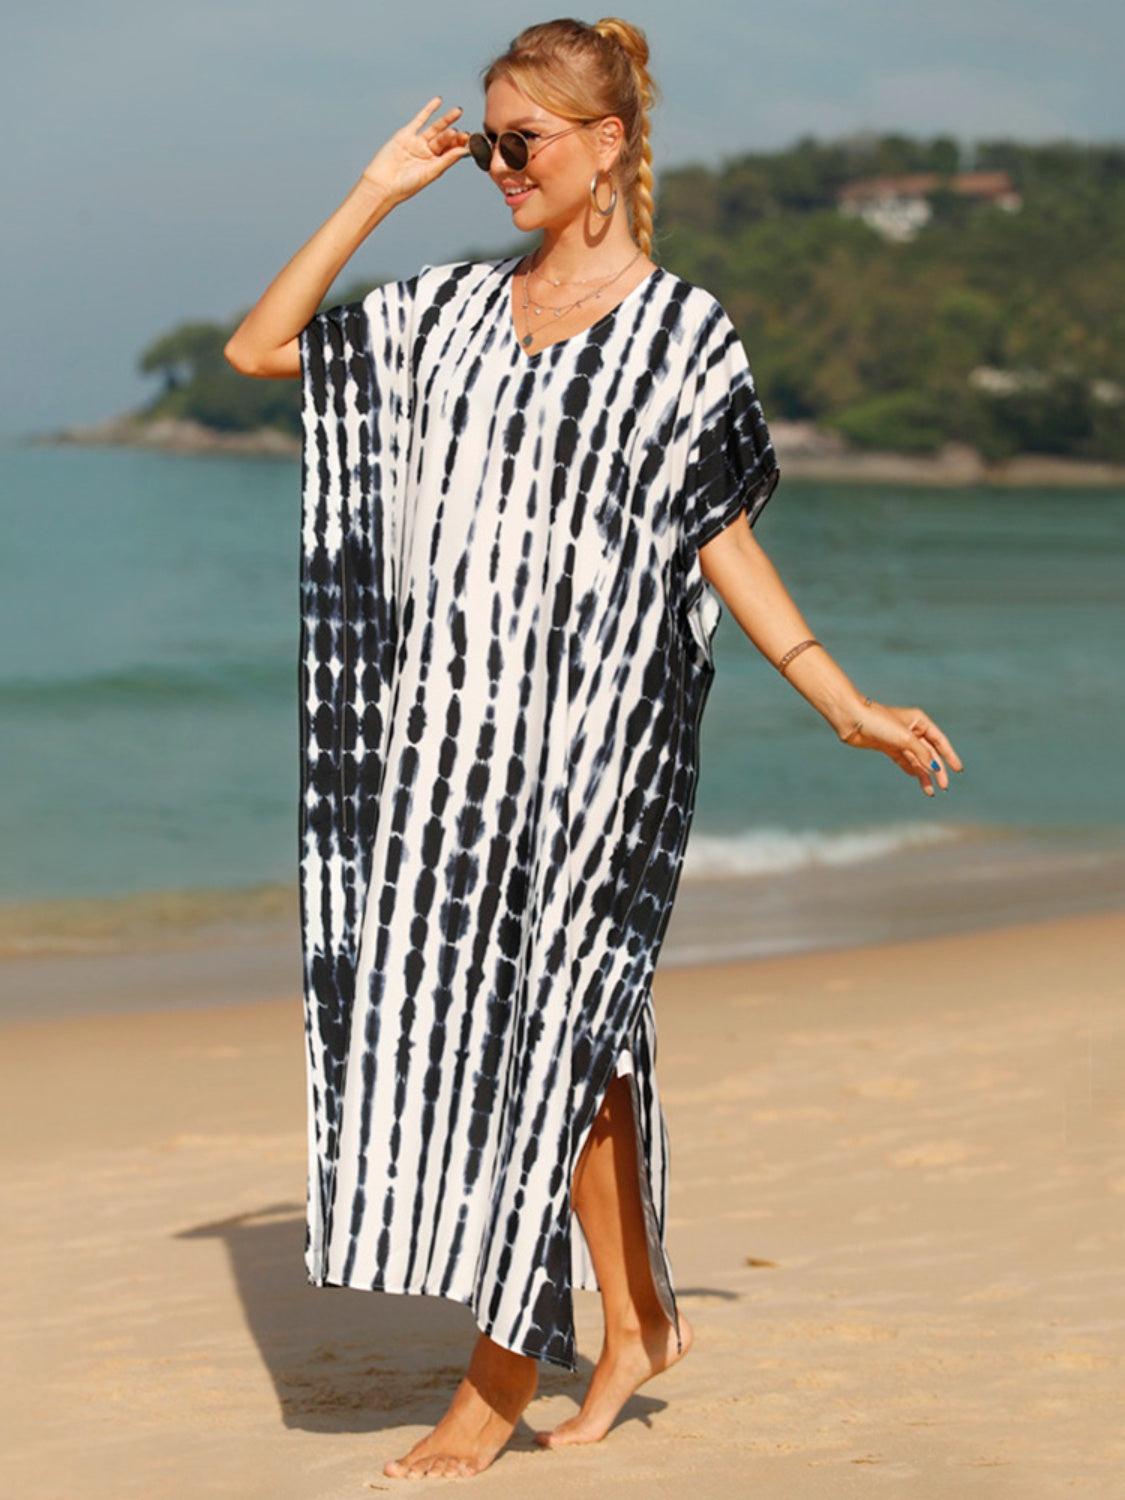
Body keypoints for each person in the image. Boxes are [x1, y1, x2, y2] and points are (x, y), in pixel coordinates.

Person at [225, 15, 962, 1482]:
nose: (499, 167)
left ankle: (493, 1384)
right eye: (488, 143)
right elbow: (262, 348)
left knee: (545, 1034)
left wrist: (838, 698)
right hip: (449, 755)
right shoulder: (444, 312)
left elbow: (721, 537)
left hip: (603, 751)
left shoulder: (685, 335)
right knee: (571, 1037)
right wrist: (380, 188)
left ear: (608, 145)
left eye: (523, 143)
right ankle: (633, 1325)